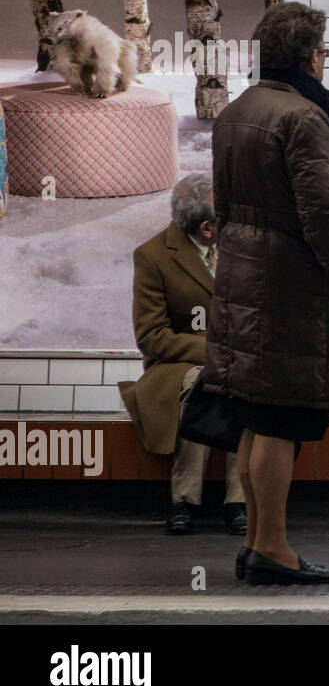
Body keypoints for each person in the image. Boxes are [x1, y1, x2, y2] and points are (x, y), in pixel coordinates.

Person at [205, 1, 329, 584]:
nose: (324, 61)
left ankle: (256, 542)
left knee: (257, 417)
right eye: (324, 52)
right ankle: (273, 548)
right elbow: (325, 212)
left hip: (248, 282)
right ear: (310, 57)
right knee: (280, 420)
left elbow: (223, 210)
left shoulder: (237, 112)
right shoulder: (302, 117)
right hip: (292, 291)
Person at [119, 173, 246, 536]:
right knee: (204, 384)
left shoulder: (238, 247)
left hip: (238, 361)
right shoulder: (153, 257)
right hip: (176, 369)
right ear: (207, 228)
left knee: (243, 385)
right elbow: (151, 336)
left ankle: (239, 501)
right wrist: (214, 352)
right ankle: (184, 500)